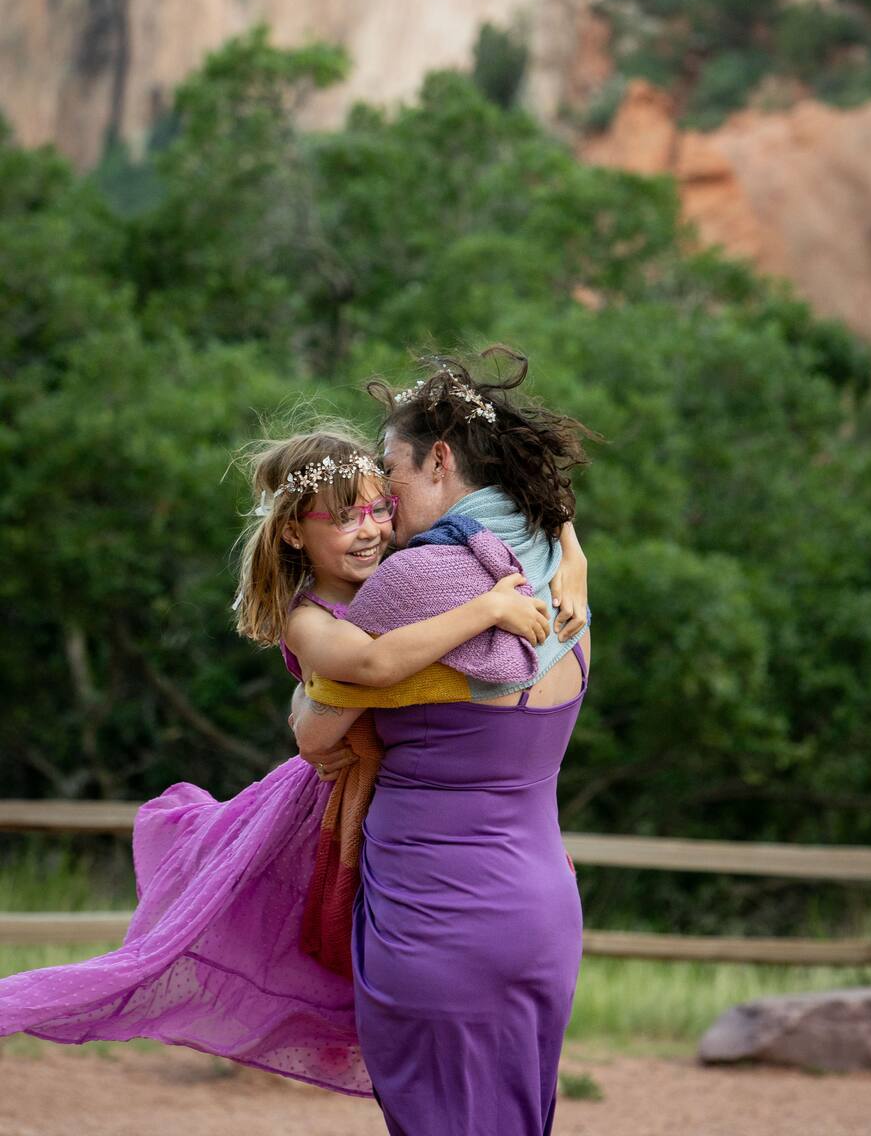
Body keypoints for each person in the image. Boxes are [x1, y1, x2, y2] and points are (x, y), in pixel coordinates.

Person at [0, 402, 586, 1112]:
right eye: (348, 517)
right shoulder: (316, 614)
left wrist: (572, 547)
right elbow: (365, 668)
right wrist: (489, 610)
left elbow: (534, 515)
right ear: (292, 534)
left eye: (380, 506)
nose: (375, 528)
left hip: (432, 857)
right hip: (381, 813)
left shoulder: (402, 574)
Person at [286, 349, 593, 1135]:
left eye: (390, 469)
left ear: (442, 459)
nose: (381, 496)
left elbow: (316, 732)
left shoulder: (417, 580)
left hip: (438, 912)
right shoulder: (558, 566)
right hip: (543, 915)